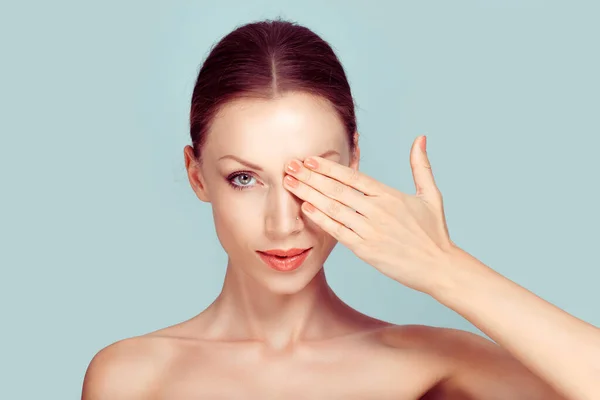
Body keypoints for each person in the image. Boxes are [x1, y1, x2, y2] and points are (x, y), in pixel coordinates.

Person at [81, 18, 599, 399]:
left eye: (310, 175)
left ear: (354, 159)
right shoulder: (132, 377)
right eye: (245, 178)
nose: (283, 223)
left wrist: (446, 269)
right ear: (197, 175)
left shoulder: (438, 366)